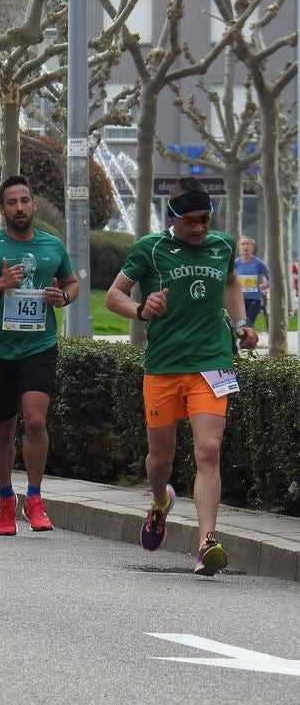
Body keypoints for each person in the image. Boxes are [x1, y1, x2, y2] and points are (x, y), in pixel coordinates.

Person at [105, 176, 257, 576]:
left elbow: (230, 283)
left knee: (208, 451)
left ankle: (207, 542)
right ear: (172, 218)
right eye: (190, 220)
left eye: (204, 218)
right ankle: (160, 503)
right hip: (164, 366)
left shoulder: (222, 246)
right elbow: (113, 295)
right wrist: (140, 308)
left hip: (212, 363)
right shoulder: (150, 249)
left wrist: (241, 323)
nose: (199, 227)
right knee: (160, 460)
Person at [0, 175, 79, 536]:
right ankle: (6, 497)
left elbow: (71, 282)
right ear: (2, 209)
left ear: (34, 204)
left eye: (25, 201)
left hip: (39, 346)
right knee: (4, 427)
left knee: (36, 420)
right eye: (12, 202)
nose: (20, 208)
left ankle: (36, 498)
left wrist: (65, 298)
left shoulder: (53, 246)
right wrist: (0, 284)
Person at [234, 235, 270, 329]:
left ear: (252, 247)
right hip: (239, 299)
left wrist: (266, 285)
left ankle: (245, 343)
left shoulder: (258, 263)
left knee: (248, 323)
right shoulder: (235, 263)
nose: (245, 246)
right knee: (239, 324)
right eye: (243, 244)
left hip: (254, 298)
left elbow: (270, 276)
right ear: (239, 247)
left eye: (248, 244)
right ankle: (240, 342)